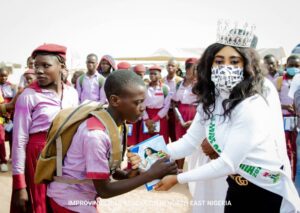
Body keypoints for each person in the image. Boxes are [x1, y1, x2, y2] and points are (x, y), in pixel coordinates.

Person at [130, 33, 300, 211]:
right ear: (209, 65)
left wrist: (178, 178)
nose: (226, 67)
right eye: (219, 61)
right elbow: (188, 143)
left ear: (247, 65)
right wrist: (145, 154)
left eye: (234, 61)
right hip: (235, 185)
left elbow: (228, 163)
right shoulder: (211, 100)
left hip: (264, 188)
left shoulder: (252, 103)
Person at [47, 70, 177, 212]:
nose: (143, 107)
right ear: (115, 100)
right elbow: (105, 190)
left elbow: (109, 170)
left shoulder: (115, 125)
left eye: (143, 101)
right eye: (137, 102)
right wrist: (150, 175)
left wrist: (128, 175)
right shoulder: (95, 135)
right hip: (68, 201)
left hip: (83, 196)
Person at [11, 43, 79, 213]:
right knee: (40, 206)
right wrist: (20, 185)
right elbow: (19, 141)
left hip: (67, 160)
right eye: (36, 66)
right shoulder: (28, 96)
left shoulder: (72, 93)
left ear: (61, 66)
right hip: (38, 160)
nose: (39, 71)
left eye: (46, 66)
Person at [172, 58, 198, 171]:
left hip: (195, 113)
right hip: (180, 114)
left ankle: (193, 171)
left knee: (195, 142)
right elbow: (174, 102)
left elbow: (203, 103)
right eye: (187, 66)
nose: (189, 69)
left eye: (191, 67)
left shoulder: (199, 84)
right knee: (180, 141)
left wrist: (195, 120)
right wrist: (177, 115)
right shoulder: (179, 84)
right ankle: (180, 169)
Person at [276, 55, 300, 180]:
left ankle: (294, 176)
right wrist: (285, 106)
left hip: (296, 119)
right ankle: (286, 174)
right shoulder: (280, 80)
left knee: (296, 149)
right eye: (291, 65)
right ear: (286, 66)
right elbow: (273, 101)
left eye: (297, 66)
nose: (294, 68)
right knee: (285, 148)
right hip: (283, 118)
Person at [140, 65, 172, 144]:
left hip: (160, 118)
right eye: (151, 74)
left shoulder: (165, 88)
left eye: (155, 74)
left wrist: (154, 120)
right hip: (147, 116)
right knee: (147, 142)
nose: (152, 75)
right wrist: (147, 120)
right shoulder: (144, 88)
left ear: (160, 75)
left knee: (160, 142)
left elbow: (166, 106)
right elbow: (141, 104)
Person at [162, 58, 183, 142]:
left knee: (176, 135)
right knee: (164, 134)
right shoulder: (162, 81)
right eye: (168, 65)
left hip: (176, 111)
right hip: (164, 112)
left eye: (173, 66)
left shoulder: (181, 81)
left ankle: (177, 154)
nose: (170, 67)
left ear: (177, 68)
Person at [0, 67, 16, 172]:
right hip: (1, 114)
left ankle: (11, 156)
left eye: (5, 75)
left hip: (9, 114)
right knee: (1, 137)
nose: (3, 77)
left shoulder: (11, 86)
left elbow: (14, 100)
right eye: (1, 75)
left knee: (11, 135)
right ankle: (3, 159)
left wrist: (10, 116)